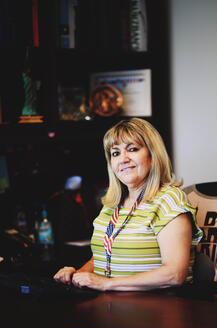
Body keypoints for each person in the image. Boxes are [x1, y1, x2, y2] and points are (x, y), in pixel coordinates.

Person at [54, 118, 203, 291]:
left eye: (132, 149)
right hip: (110, 305)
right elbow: (103, 257)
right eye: (115, 153)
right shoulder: (111, 205)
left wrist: (107, 284)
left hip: (158, 308)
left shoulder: (169, 200)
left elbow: (174, 274)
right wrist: (76, 275)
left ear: (153, 156)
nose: (123, 159)